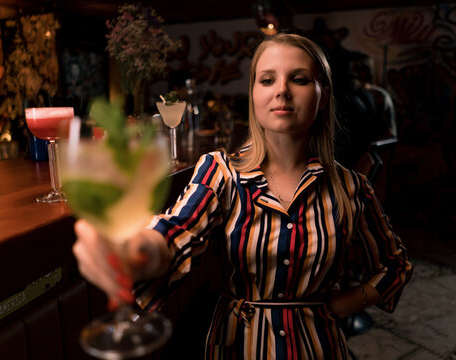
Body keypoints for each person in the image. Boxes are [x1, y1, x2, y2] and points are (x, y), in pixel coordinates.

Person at [73, 33, 412, 359]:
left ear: (322, 96)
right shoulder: (221, 172)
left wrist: (343, 304)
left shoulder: (351, 187)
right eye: (267, 80)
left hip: (318, 346)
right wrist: (136, 251)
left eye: (299, 79)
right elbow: (175, 231)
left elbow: (396, 265)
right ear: (253, 95)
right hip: (238, 345)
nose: (282, 90)